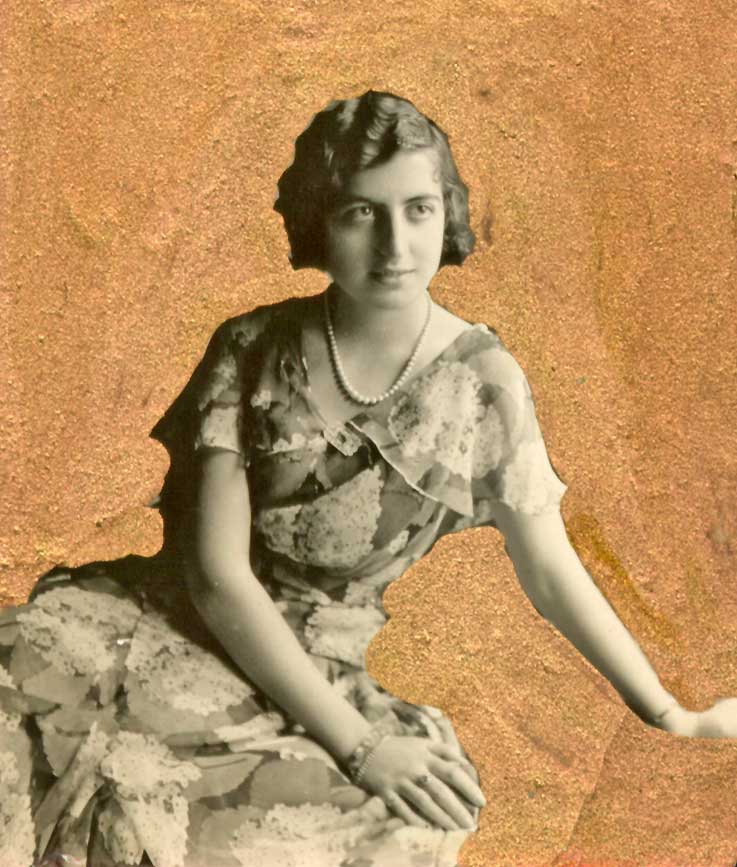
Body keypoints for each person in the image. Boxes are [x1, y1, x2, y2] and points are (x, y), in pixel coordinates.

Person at [1, 90, 736, 867]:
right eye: (361, 212)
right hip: (161, 627)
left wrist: (663, 709)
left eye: (418, 210)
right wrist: (359, 747)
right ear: (320, 220)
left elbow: (550, 571)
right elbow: (217, 578)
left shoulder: (482, 383)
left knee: (380, 830)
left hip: (315, 680)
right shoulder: (250, 346)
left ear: (446, 215)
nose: (394, 245)